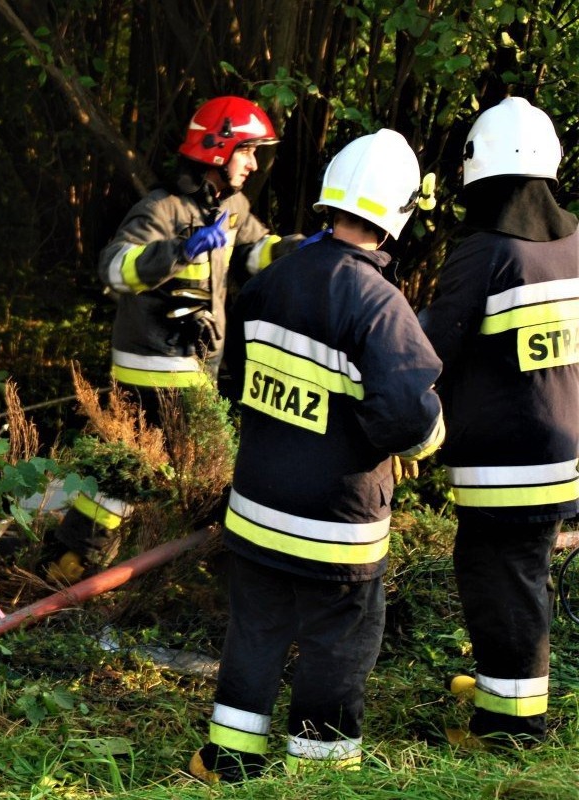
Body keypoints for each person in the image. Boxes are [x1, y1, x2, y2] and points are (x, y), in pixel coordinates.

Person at [190, 129, 445, 781]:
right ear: (396, 214)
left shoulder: (272, 281)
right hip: (337, 529)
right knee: (338, 646)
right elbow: (407, 417)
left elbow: (234, 380)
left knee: (254, 634)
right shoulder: (379, 305)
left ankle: (227, 762)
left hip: (256, 512)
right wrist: (429, 437)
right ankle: (320, 779)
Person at [44, 96, 305, 581]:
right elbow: (114, 269)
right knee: (214, 467)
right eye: (246, 151)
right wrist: (178, 251)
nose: (252, 163)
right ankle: (205, 571)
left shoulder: (232, 207)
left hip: (189, 368)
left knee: (127, 472)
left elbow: (251, 254)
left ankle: (71, 560)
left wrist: (294, 249)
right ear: (218, 148)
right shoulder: (161, 209)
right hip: (159, 367)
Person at [419, 97, 578, 747]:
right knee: (517, 574)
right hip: (564, 452)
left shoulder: (485, 254)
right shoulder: (575, 245)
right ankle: (502, 683)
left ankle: (510, 728)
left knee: (499, 582)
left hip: (504, 464)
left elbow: (429, 349)